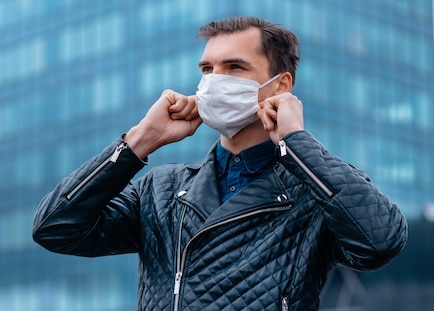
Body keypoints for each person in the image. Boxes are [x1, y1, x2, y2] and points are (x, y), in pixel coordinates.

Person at [32, 16, 407, 311]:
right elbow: (55, 228)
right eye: (207, 69)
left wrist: (296, 143)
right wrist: (141, 140)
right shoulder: (161, 189)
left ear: (280, 86)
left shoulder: (315, 186)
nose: (214, 82)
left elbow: (381, 241)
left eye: (234, 67)